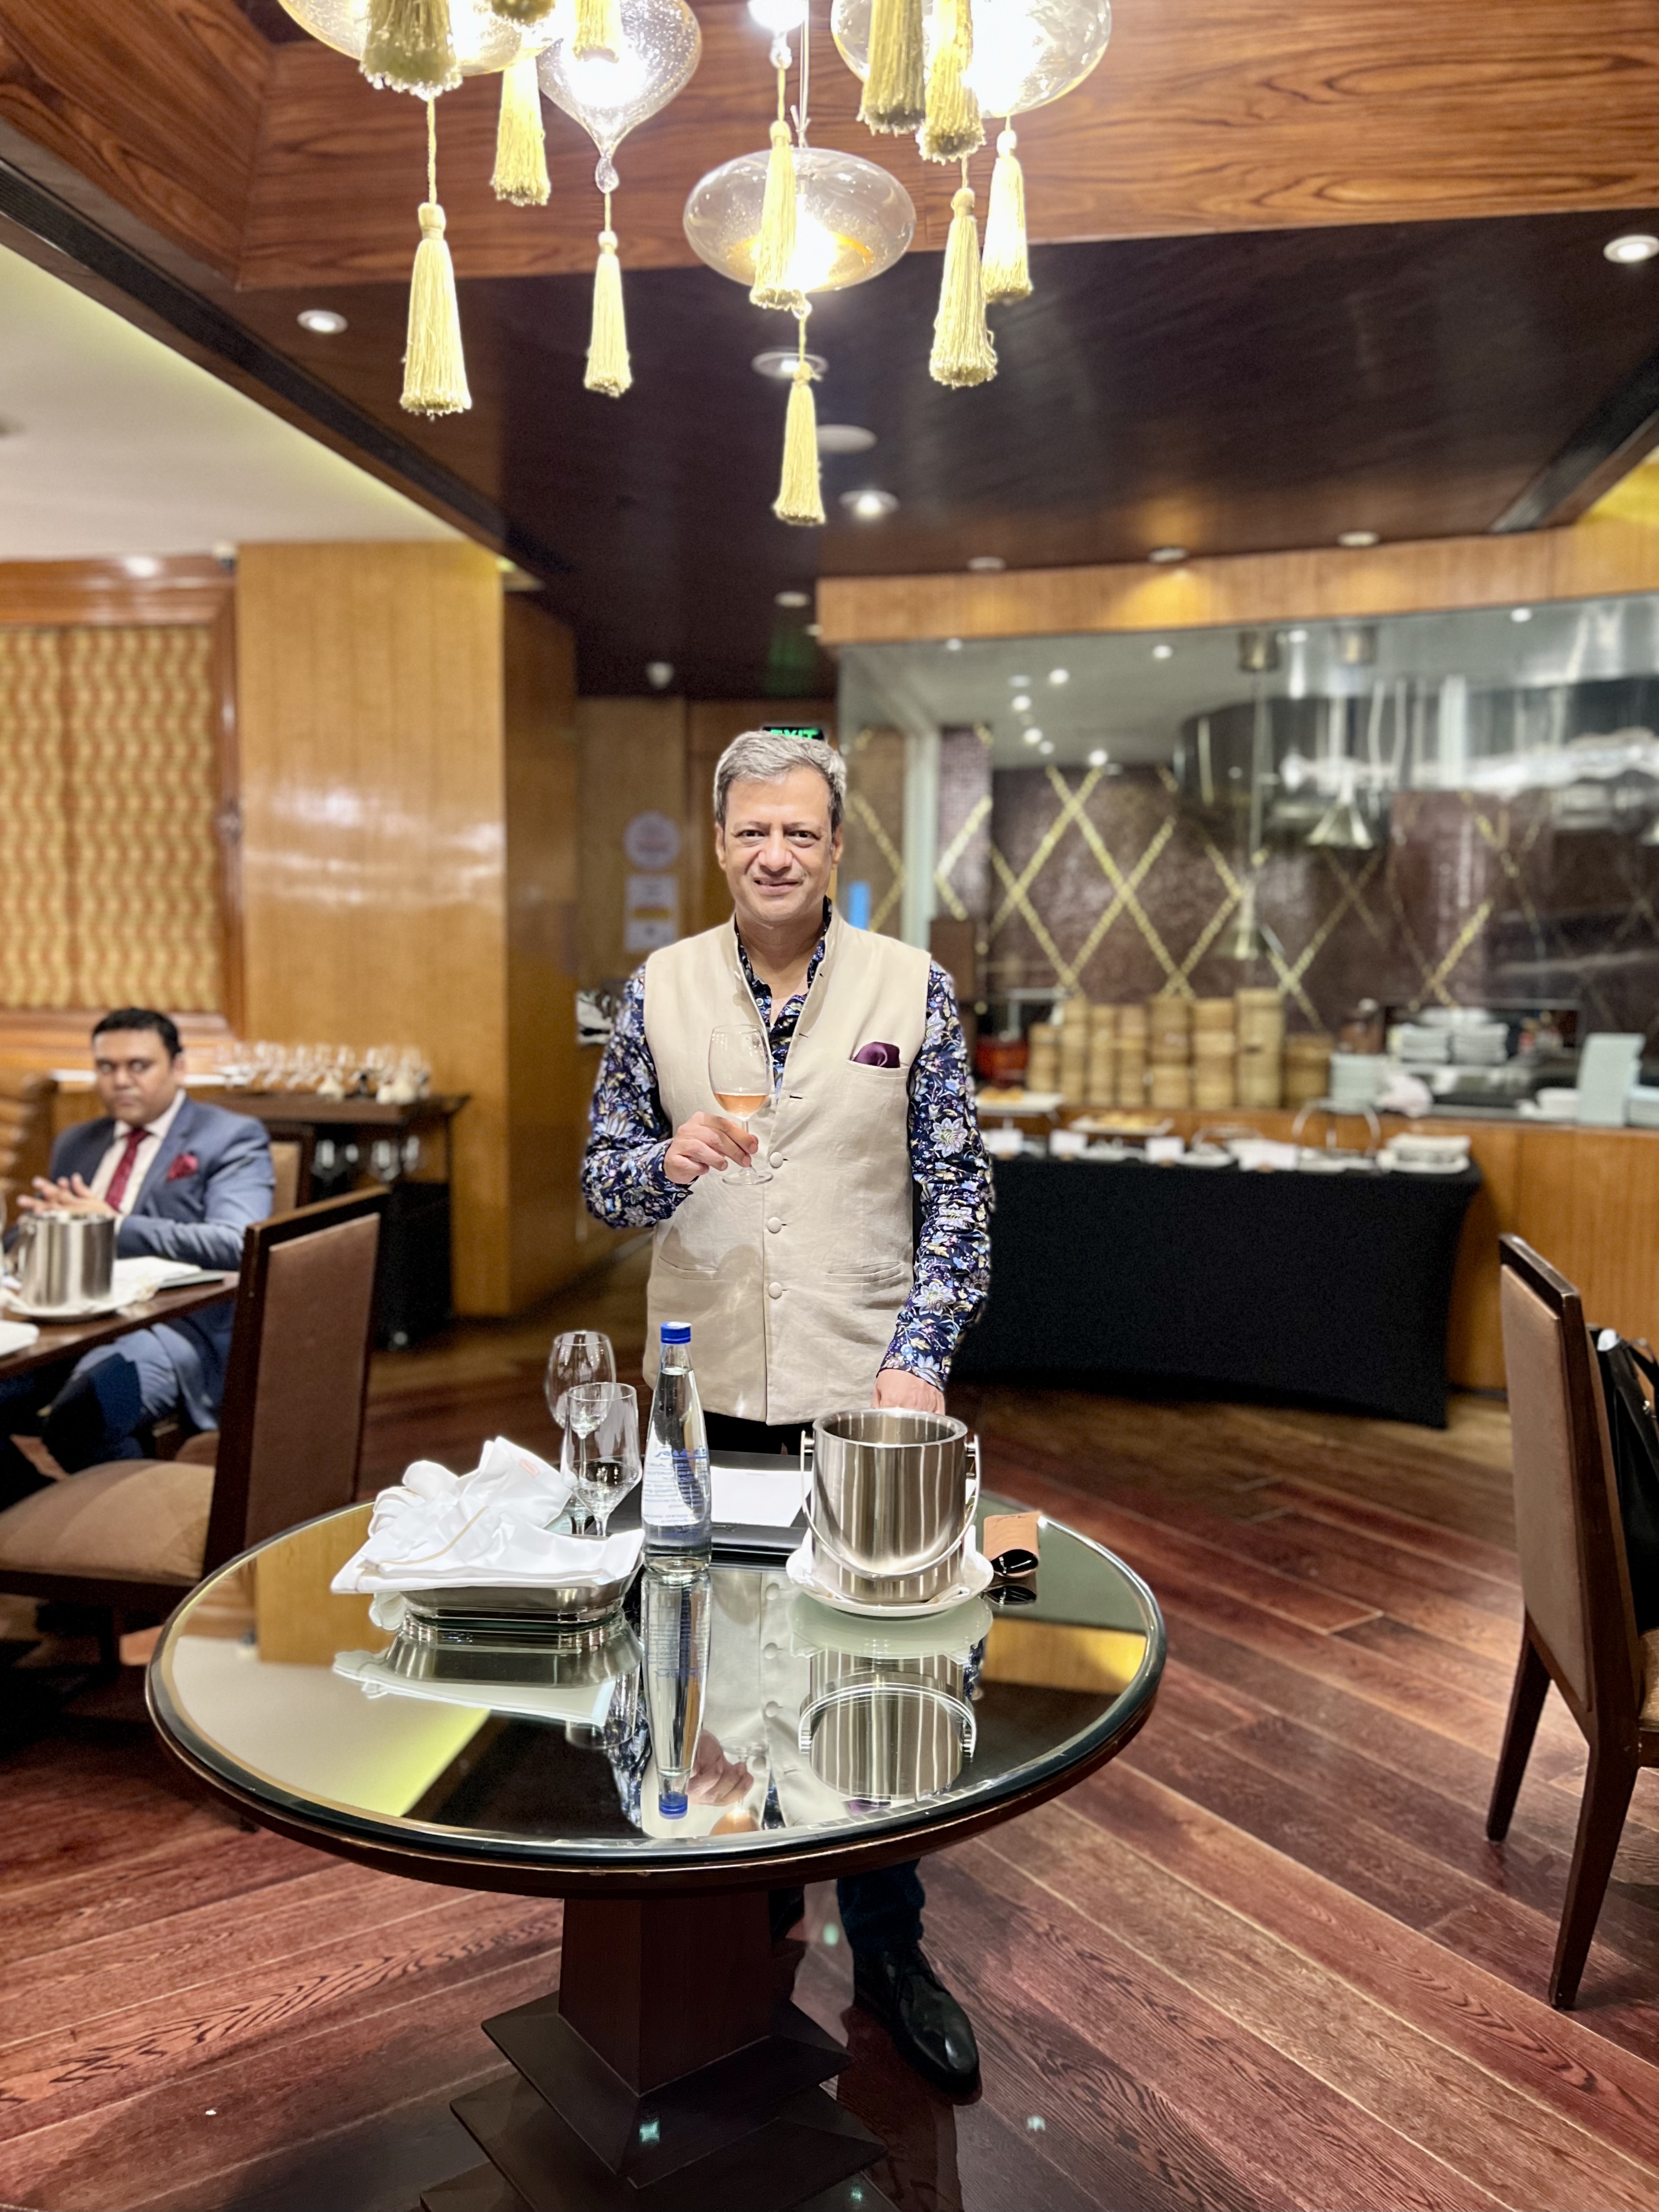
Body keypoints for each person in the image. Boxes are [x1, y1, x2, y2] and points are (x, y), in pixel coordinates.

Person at [582, 730, 993, 2096]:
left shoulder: (909, 986)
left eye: (801, 835)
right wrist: (663, 1156)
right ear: (719, 842)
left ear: (834, 849)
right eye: (753, 831)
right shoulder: (655, 988)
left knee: (877, 1684)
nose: (775, 854)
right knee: (710, 1674)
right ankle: (740, 1920)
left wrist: (920, 1351)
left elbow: (958, 1199)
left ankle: (888, 1946)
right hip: (702, 1389)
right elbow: (603, 1185)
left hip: (864, 1393)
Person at [0, 1009, 275, 1511]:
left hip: (171, 1329)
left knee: (83, 1420)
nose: (120, 1080)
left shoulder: (229, 1137)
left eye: (138, 1065)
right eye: (106, 1067)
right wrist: (31, 1232)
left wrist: (111, 1223)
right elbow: (55, 1229)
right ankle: (41, 1524)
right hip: (61, 1321)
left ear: (179, 1067)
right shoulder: (77, 1142)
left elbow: (237, 1243)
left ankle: (126, 1559)